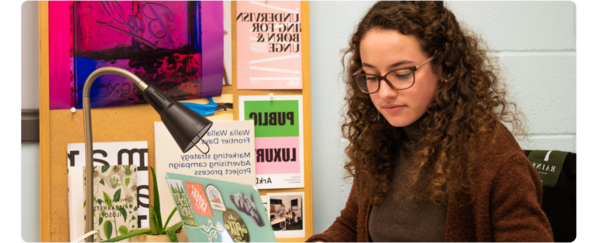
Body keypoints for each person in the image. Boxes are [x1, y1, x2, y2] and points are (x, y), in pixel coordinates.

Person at [306, 0, 553, 242]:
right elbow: (351, 224)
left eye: (402, 74)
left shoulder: (497, 161)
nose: (384, 93)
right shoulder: (381, 139)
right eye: (371, 76)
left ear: (444, 68)